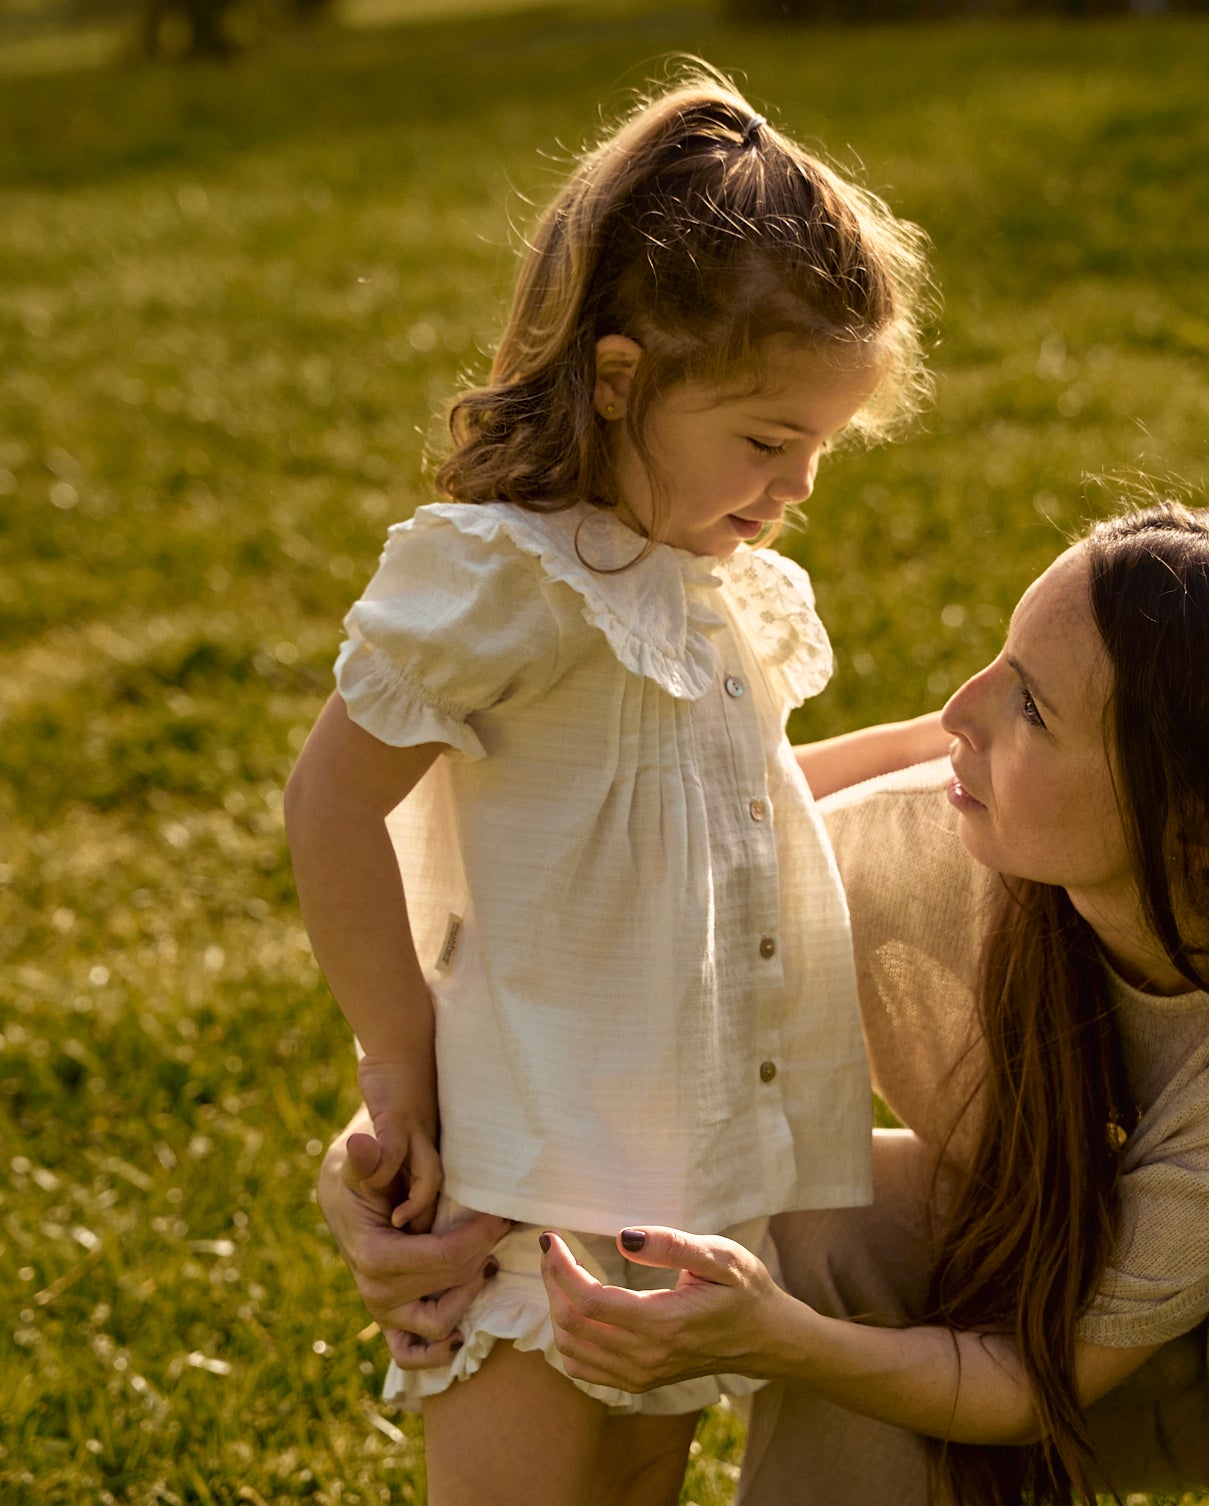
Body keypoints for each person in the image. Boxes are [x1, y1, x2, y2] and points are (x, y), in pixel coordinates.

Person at [285, 63, 945, 1506]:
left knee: (643, 1480)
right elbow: (331, 800)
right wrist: (398, 1058)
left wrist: (917, 747)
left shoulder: (708, 591)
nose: (798, 484)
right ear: (620, 378)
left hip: (681, 1177)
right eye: (767, 441)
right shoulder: (511, 577)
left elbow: (729, 811)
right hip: (530, 1179)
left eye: (822, 447)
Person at [532, 498, 1209, 1504]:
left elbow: (1033, 1385)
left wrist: (782, 1338)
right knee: (807, 1210)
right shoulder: (909, 852)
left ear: (1198, 831)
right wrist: (395, 1146)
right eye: (1001, 661)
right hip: (1071, 1319)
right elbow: (570, 964)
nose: (956, 711)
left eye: (1031, 708)